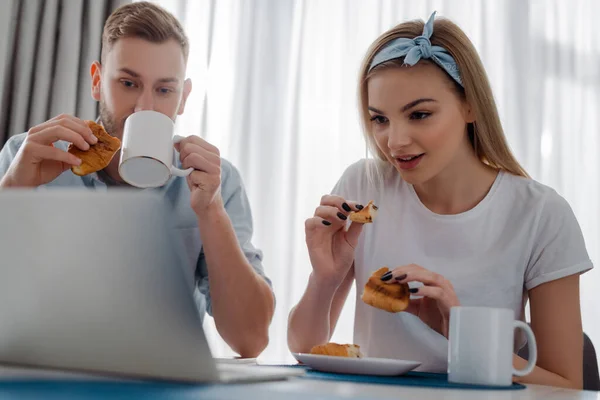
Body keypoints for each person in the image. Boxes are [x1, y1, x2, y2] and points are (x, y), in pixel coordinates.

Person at [287, 12, 592, 389]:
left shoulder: (541, 214)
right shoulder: (363, 185)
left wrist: (457, 330)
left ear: (471, 107)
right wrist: (325, 278)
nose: (394, 141)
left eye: (419, 114)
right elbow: (304, 348)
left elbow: (566, 387)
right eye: (379, 119)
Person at [0, 2, 274, 358]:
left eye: (164, 90)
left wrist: (212, 213)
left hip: (160, 383)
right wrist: (12, 195)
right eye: (128, 83)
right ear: (98, 82)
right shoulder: (28, 155)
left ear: (183, 98)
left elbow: (250, 340)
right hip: (41, 373)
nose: (144, 107)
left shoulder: (215, 183)